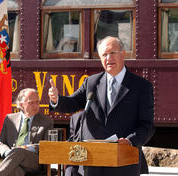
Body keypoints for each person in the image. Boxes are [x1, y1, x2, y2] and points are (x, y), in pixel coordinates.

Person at [48, 36, 154, 176]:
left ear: (123, 54)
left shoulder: (141, 86)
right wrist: (56, 100)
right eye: (104, 54)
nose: (108, 58)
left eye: (112, 53)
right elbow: (72, 103)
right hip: (92, 162)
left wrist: (130, 140)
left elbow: (147, 126)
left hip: (123, 162)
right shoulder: (91, 82)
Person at [0, 88, 53, 176]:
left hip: (34, 161)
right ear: (21, 104)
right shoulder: (10, 119)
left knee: (19, 151)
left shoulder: (46, 121)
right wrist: (7, 152)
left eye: (37, 102)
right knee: (16, 169)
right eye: (31, 102)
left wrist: (27, 147)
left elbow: (48, 145)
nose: (35, 105)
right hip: (13, 159)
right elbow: (1, 143)